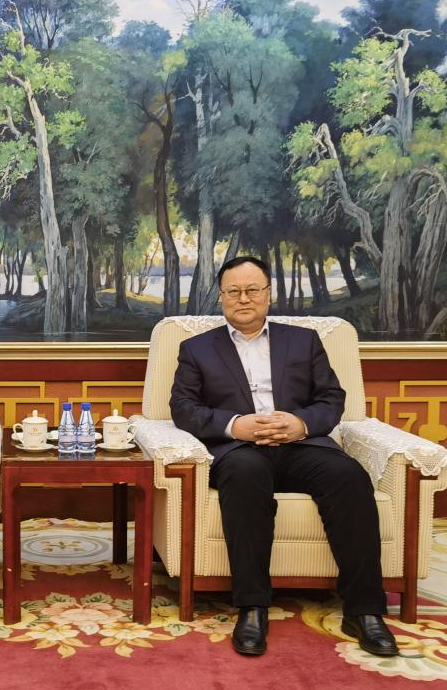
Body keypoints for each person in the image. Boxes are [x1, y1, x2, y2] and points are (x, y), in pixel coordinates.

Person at [169, 256, 399, 658]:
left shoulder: (303, 341)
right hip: (239, 450)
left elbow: (331, 399)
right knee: (245, 475)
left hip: (302, 447)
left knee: (348, 476)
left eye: (252, 290)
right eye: (233, 291)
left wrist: (300, 424)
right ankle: (252, 607)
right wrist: (234, 425)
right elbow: (183, 408)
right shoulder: (197, 348)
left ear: (268, 293)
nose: (243, 299)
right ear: (221, 296)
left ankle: (364, 610)